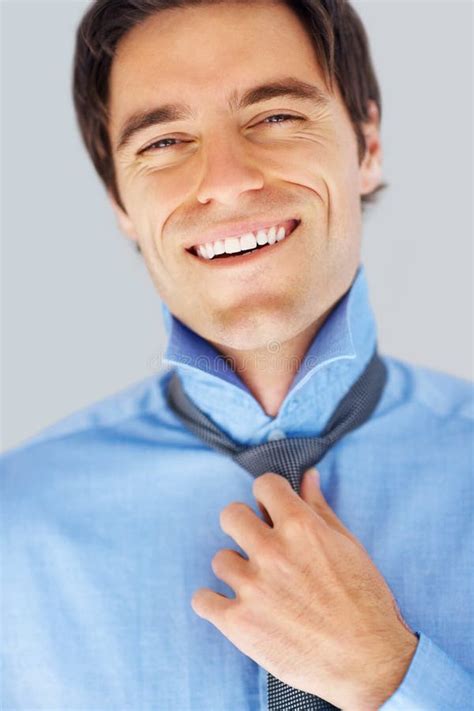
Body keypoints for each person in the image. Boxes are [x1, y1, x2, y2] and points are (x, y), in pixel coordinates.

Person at [1, 0, 473, 709]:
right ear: (119, 201)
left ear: (367, 142)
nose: (225, 179)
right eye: (162, 141)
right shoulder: (14, 526)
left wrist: (389, 675)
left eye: (274, 117)